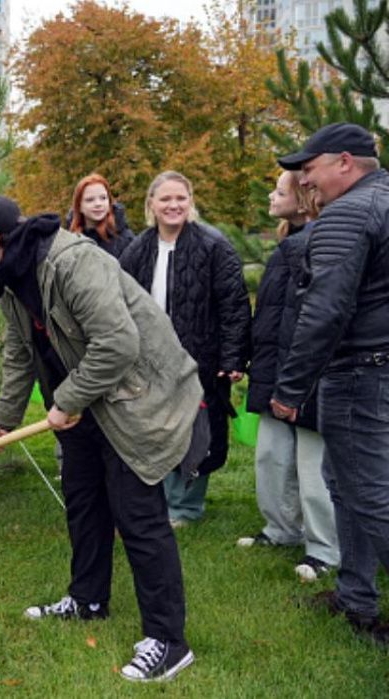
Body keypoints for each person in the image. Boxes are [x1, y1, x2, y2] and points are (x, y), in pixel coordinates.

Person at [0, 194, 203, 682]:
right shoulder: (8, 278)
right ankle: (88, 600)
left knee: (139, 516)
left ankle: (169, 641)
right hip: (82, 404)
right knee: (84, 502)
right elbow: (21, 351)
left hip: (133, 396)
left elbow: (119, 343)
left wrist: (67, 401)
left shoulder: (73, 262)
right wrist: (4, 419)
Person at [272, 122, 389, 644]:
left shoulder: (348, 212)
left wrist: (290, 389)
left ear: (344, 162)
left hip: (361, 373)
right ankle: (356, 596)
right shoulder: (381, 199)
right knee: (345, 486)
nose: (304, 180)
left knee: (371, 496)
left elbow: (324, 311)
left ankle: (358, 595)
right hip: (375, 369)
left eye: (309, 168)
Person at [119, 171, 251, 526]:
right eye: (165, 199)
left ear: (191, 202)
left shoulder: (213, 245)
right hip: (150, 360)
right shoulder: (139, 248)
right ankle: (160, 501)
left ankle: (186, 506)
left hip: (199, 357)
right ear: (151, 205)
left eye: (181, 198)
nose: (173, 205)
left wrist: (233, 356)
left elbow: (234, 305)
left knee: (196, 432)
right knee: (156, 430)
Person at [240, 170, 338, 583]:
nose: (270, 195)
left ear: (303, 199)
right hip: (272, 370)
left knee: (313, 468)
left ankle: (325, 549)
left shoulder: (322, 244)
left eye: (279, 190)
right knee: (271, 458)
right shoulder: (286, 244)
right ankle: (280, 529)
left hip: (312, 374)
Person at [67, 173, 135, 259]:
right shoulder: (70, 241)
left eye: (103, 198)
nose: (98, 204)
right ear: (79, 206)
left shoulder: (125, 239)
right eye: (90, 200)